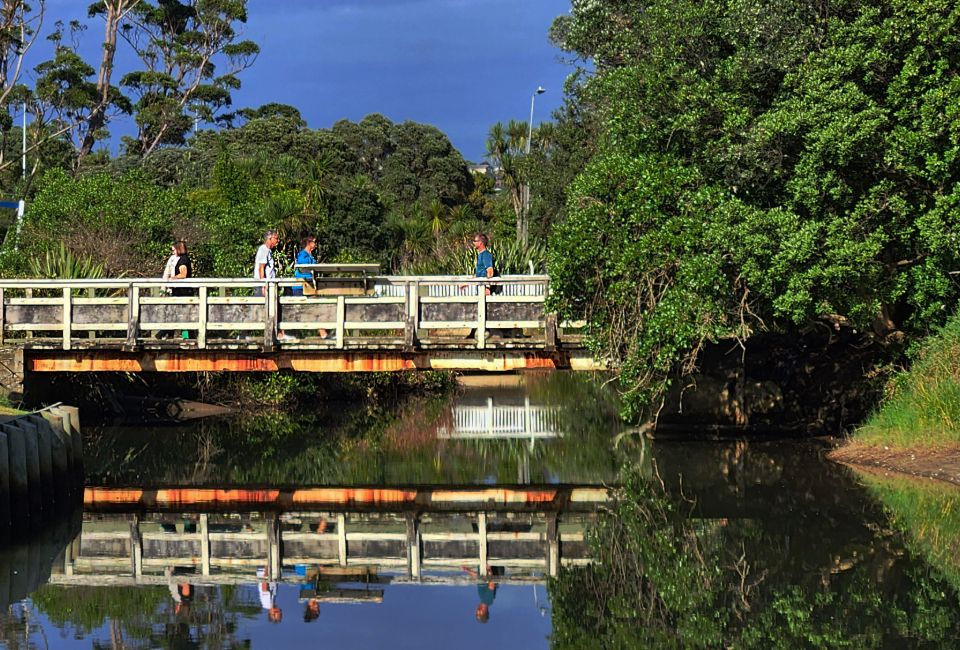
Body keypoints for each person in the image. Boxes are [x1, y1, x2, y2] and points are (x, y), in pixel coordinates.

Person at [254, 229, 296, 342]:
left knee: (271, 309)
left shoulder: (267, 251)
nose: (278, 240)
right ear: (270, 238)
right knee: (262, 310)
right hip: (264, 287)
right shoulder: (264, 250)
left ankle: (278, 334)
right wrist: (264, 286)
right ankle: (279, 334)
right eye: (276, 238)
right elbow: (261, 269)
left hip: (268, 286)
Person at [293, 234, 330, 339]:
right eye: (314, 242)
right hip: (301, 287)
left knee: (316, 307)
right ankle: (288, 332)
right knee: (298, 310)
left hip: (310, 286)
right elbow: (303, 267)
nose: (316, 244)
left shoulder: (310, 255)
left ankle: (323, 332)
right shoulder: (303, 255)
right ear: (309, 243)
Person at [171, 240, 194, 340]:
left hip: (182, 292)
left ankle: (187, 336)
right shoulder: (183, 259)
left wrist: (173, 278)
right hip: (181, 291)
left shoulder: (183, 260)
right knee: (182, 314)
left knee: (183, 314)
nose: (173, 252)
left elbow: (183, 274)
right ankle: (187, 336)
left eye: (174, 250)